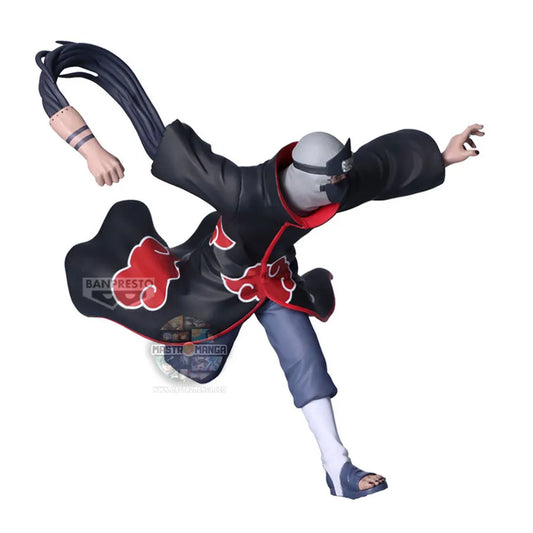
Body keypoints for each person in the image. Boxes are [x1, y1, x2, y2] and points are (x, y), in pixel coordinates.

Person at [36, 41, 484, 499]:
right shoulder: (238, 188)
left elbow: (380, 169)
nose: (342, 189)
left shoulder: (334, 187)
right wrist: (89, 146)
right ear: (309, 180)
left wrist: (440, 157)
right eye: (334, 183)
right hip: (217, 284)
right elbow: (157, 137)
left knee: (306, 359)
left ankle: (338, 468)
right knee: (197, 367)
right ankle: (179, 347)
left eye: (342, 181)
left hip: (277, 281)